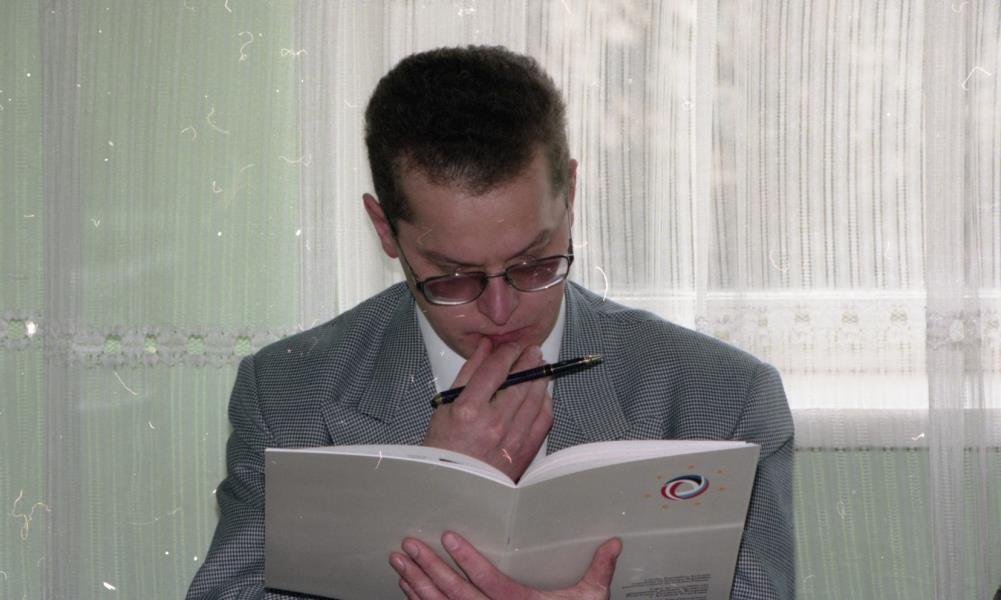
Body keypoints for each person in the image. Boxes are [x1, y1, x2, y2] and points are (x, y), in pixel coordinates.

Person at [186, 45, 794, 600]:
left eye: (534, 263)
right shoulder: (289, 396)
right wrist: (426, 493)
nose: (501, 311)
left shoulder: (725, 398)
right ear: (385, 230)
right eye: (454, 277)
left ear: (570, 196)